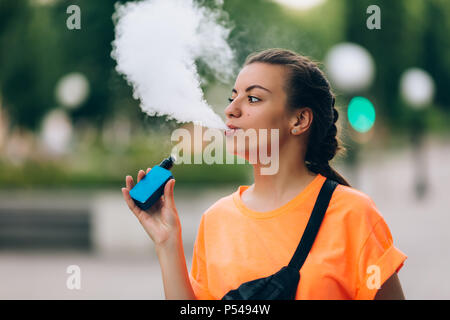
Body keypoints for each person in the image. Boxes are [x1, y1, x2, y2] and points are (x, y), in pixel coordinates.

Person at [121, 48, 407, 300]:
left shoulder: (354, 215)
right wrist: (167, 243)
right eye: (233, 98)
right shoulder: (215, 220)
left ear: (299, 119)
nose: (231, 110)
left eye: (253, 98)